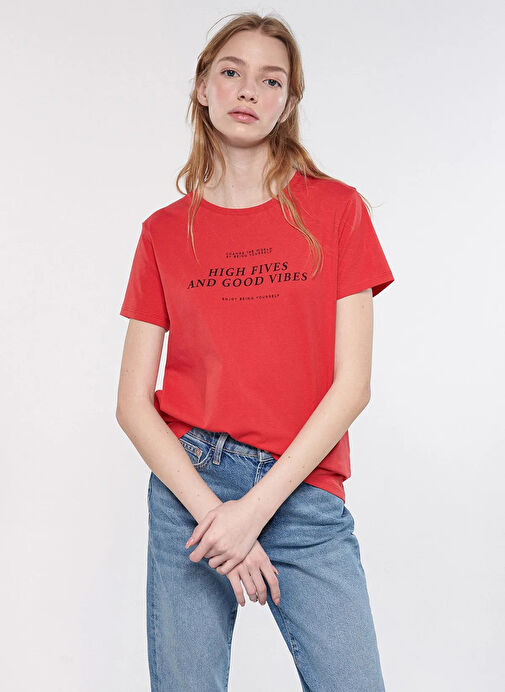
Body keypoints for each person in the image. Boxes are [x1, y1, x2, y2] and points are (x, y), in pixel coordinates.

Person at [116, 11, 394, 692]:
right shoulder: (162, 233)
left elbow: (352, 386)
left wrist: (252, 514)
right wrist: (215, 518)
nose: (248, 90)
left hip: (302, 490)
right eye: (231, 72)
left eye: (271, 80)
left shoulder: (338, 211)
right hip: (191, 490)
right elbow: (132, 405)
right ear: (203, 88)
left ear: (288, 103)